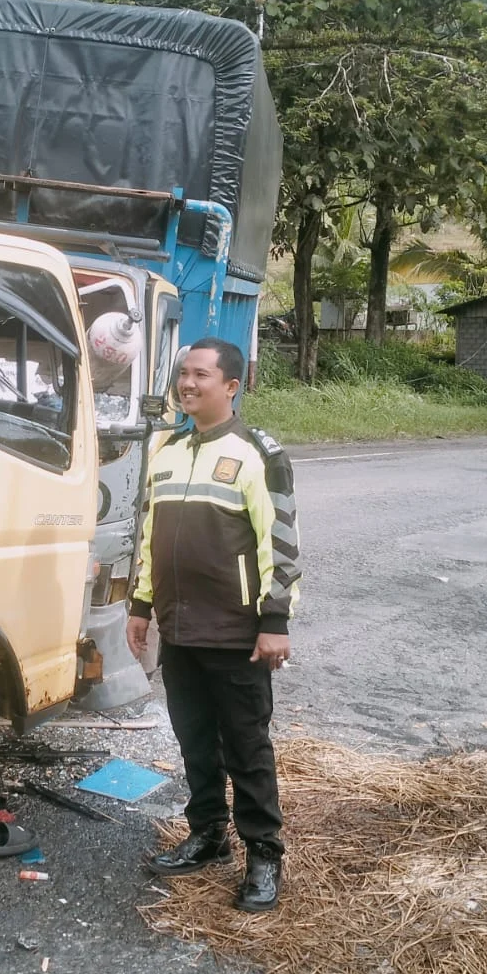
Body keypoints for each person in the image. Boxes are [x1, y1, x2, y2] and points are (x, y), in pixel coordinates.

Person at [126, 338, 301, 912]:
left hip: (237, 633)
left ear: (231, 385)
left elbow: (281, 541)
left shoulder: (258, 452)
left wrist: (274, 620)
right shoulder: (169, 449)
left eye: (201, 374)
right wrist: (141, 606)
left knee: (246, 748)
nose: (187, 383)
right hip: (179, 630)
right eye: (182, 373)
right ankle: (207, 837)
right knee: (195, 742)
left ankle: (263, 857)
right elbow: (151, 540)